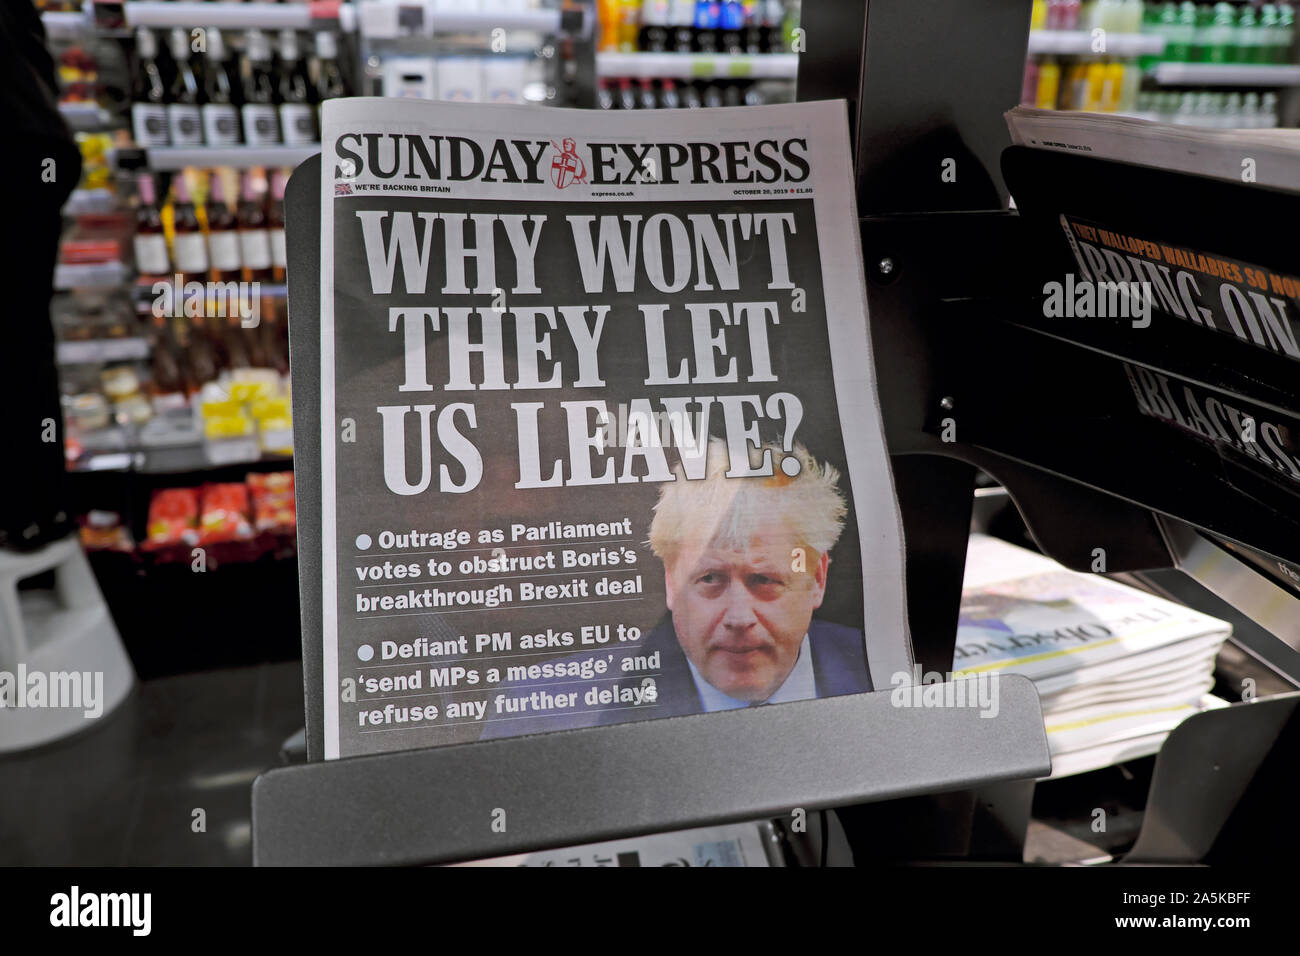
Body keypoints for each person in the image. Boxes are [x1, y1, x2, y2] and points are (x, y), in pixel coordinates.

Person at [479, 438, 871, 739]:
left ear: (817, 579)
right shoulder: (540, 711)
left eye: (764, 581)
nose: (738, 618)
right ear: (670, 582)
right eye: (710, 580)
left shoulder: (884, 670)